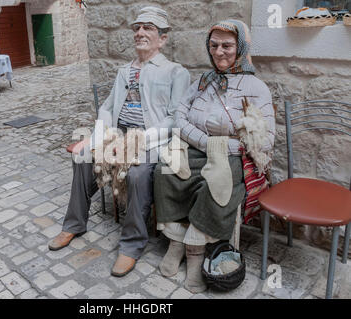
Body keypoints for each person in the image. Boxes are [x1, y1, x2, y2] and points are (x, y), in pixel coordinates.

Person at [48, 6, 190, 277]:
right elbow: (107, 108)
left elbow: (175, 120)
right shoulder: (124, 71)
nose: (140, 32)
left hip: (151, 141)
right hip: (118, 135)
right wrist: (98, 137)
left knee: (137, 174)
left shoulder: (176, 72)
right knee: (82, 157)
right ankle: (74, 224)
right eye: (137, 28)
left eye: (148, 28)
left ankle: (132, 244)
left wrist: (137, 141)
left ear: (163, 38)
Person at [153, 20, 276, 293]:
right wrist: (207, 143)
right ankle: (175, 242)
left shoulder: (256, 88)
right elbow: (179, 116)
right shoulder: (202, 82)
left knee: (216, 185)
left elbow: (266, 140)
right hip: (198, 147)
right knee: (166, 169)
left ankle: (195, 252)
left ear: (241, 47)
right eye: (214, 45)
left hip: (233, 156)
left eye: (227, 45)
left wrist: (224, 148)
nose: (219, 52)